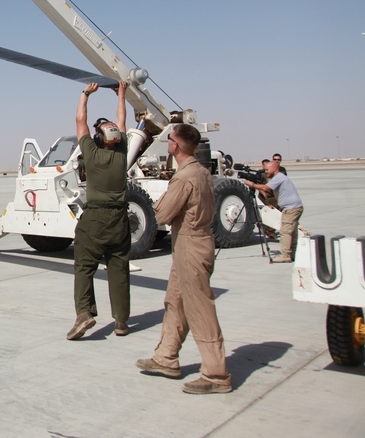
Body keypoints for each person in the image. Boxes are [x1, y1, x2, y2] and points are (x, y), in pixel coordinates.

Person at [136, 123, 232, 394]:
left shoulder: (184, 177)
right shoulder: (201, 172)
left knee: (200, 310)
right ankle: (166, 357)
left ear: (175, 145)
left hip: (190, 244)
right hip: (194, 242)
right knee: (175, 301)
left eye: (170, 139)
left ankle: (216, 375)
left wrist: (160, 202)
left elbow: (162, 214)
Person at [67, 80, 131, 340]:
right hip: (120, 219)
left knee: (84, 266)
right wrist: (121, 94)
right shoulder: (122, 153)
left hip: (95, 217)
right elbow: (122, 120)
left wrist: (86, 94)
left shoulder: (91, 154)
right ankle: (121, 322)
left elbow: (79, 120)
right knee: (119, 268)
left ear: (98, 138)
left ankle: (84, 313)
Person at [244, 160, 303, 262]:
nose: (265, 171)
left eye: (267, 169)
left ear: (274, 168)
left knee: (285, 232)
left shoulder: (279, 177)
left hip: (291, 208)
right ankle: (292, 253)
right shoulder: (279, 177)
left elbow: (265, 188)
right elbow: (267, 190)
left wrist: (252, 184)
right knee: (292, 232)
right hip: (293, 207)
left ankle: (285, 255)